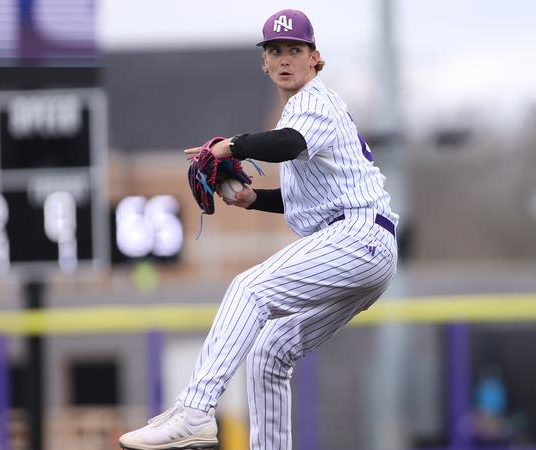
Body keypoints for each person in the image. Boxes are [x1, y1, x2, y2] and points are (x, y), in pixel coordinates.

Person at [119, 9, 399, 450]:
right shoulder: (300, 114)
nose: (285, 58)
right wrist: (254, 199)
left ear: (315, 58)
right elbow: (311, 197)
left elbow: (287, 145)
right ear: (264, 63)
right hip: (358, 246)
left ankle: (194, 411)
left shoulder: (313, 102)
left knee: (249, 288)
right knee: (271, 351)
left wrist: (231, 145)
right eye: (275, 51)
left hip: (357, 238)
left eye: (295, 50)